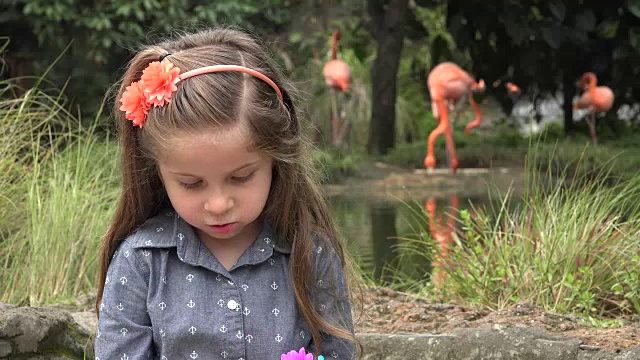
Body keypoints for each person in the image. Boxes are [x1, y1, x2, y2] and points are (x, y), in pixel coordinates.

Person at [94, 27, 360, 360]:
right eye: (192, 184)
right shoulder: (141, 261)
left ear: (275, 160)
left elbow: (337, 351)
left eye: (242, 177)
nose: (219, 205)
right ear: (157, 173)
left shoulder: (309, 251)